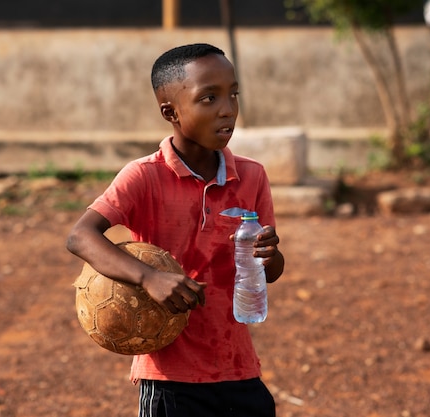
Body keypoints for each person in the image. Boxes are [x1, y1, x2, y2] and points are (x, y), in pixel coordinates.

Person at [66, 43, 285, 417]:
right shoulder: (144, 176)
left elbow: (271, 273)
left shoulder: (251, 176)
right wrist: (149, 277)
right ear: (171, 112)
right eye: (209, 98)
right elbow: (81, 236)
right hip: (170, 378)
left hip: (238, 367)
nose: (227, 109)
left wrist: (271, 257)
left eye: (233, 94)